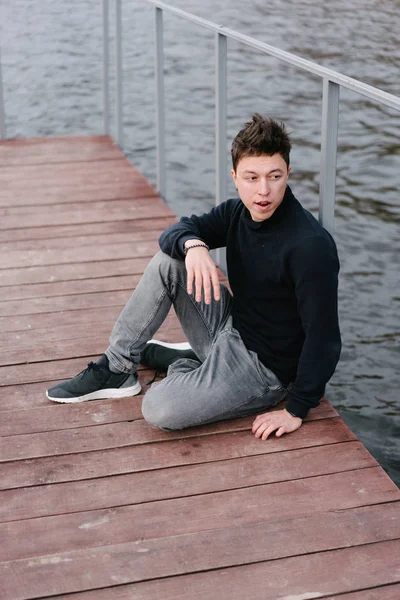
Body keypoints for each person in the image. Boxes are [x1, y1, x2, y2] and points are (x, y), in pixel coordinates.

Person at [47, 114, 341, 441]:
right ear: (234, 177)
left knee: (159, 409)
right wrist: (195, 246)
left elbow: (324, 338)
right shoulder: (236, 213)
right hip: (233, 329)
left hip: (264, 369)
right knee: (169, 262)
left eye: (274, 176)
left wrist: (295, 410)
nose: (263, 190)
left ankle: (190, 365)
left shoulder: (309, 246)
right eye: (251, 177)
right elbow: (176, 231)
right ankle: (116, 369)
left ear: (288, 173)